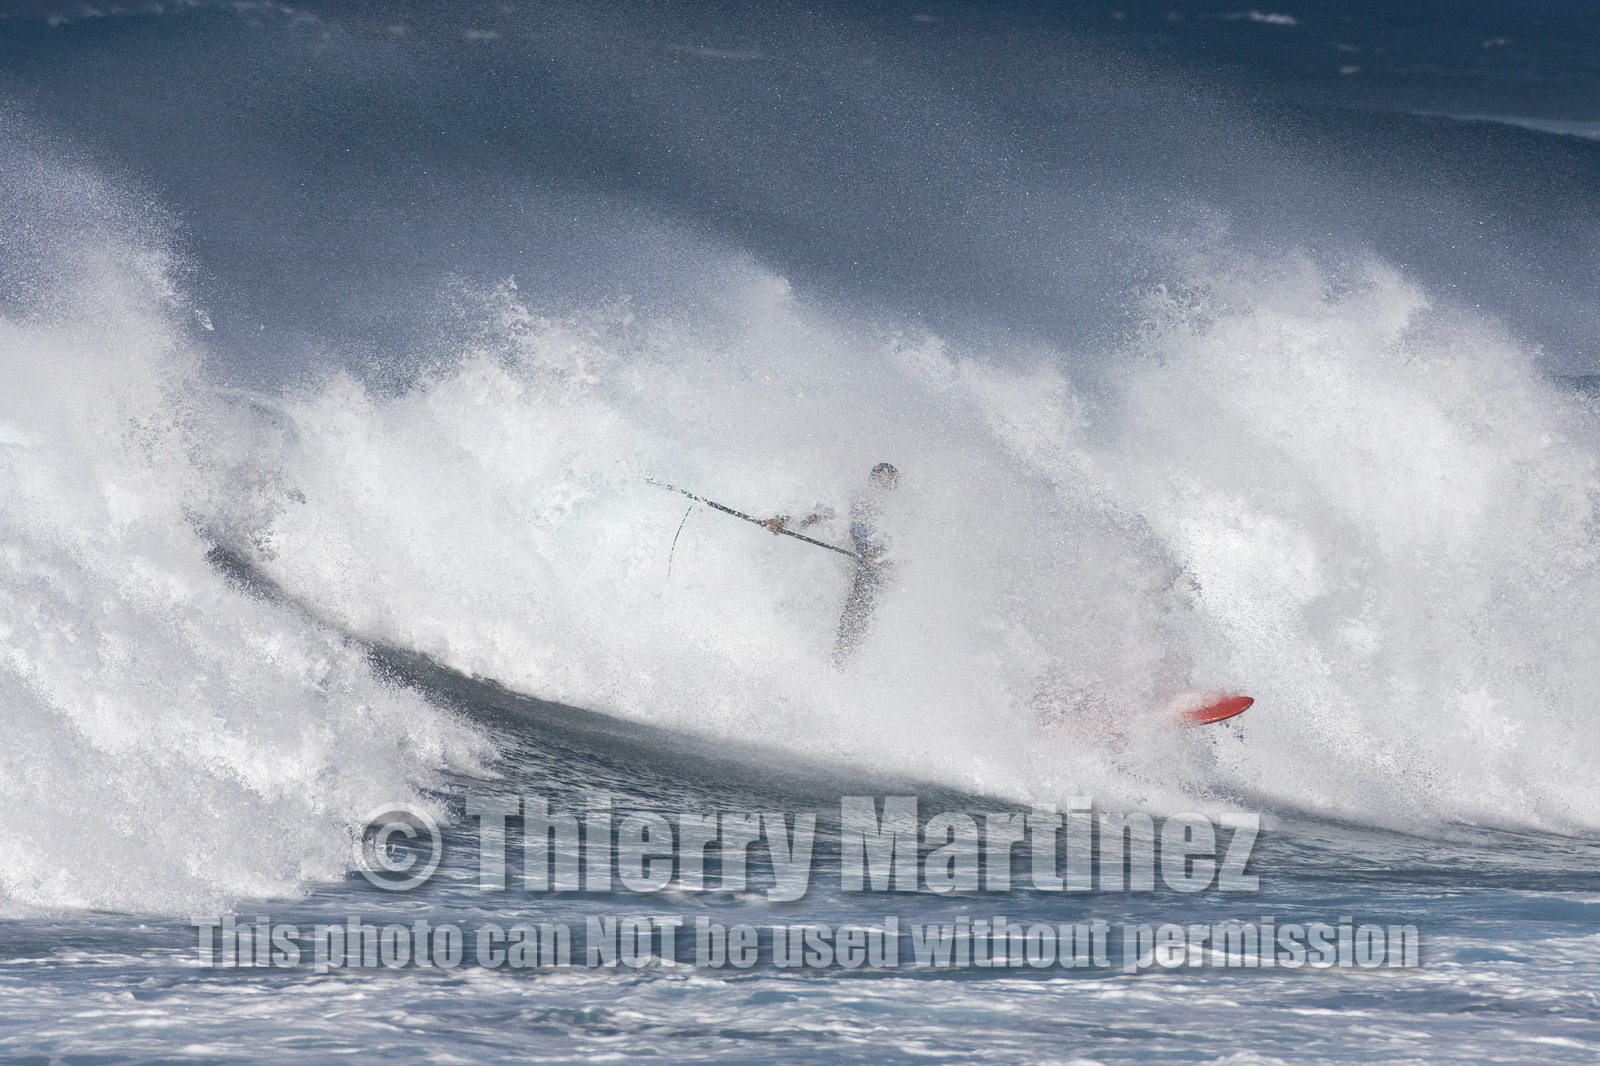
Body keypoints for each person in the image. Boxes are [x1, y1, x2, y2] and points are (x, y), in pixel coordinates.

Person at [761, 462, 900, 667]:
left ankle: (857, 666)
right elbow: (815, 514)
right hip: (861, 569)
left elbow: (912, 555)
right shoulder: (855, 502)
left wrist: (887, 563)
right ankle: (838, 667)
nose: (883, 487)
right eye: (879, 481)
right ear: (871, 482)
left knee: (870, 610)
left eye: (889, 483)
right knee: (854, 615)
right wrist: (781, 522)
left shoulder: (901, 515)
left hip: (885, 578)